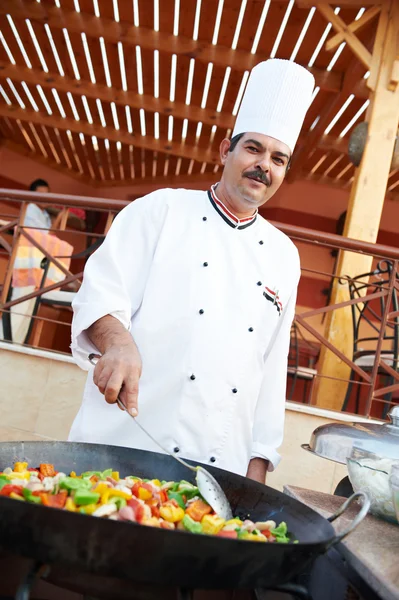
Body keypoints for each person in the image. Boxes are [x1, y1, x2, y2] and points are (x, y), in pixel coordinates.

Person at [69, 59, 315, 483]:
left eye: (278, 158)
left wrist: (258, 463)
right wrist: (119, 342)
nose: (264, 166)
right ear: (226, 150)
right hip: (127, 440)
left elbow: (271, 369)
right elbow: (101, 294)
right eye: (253, 148)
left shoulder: (284, 255)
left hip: (220, 463)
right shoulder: (160, 209)